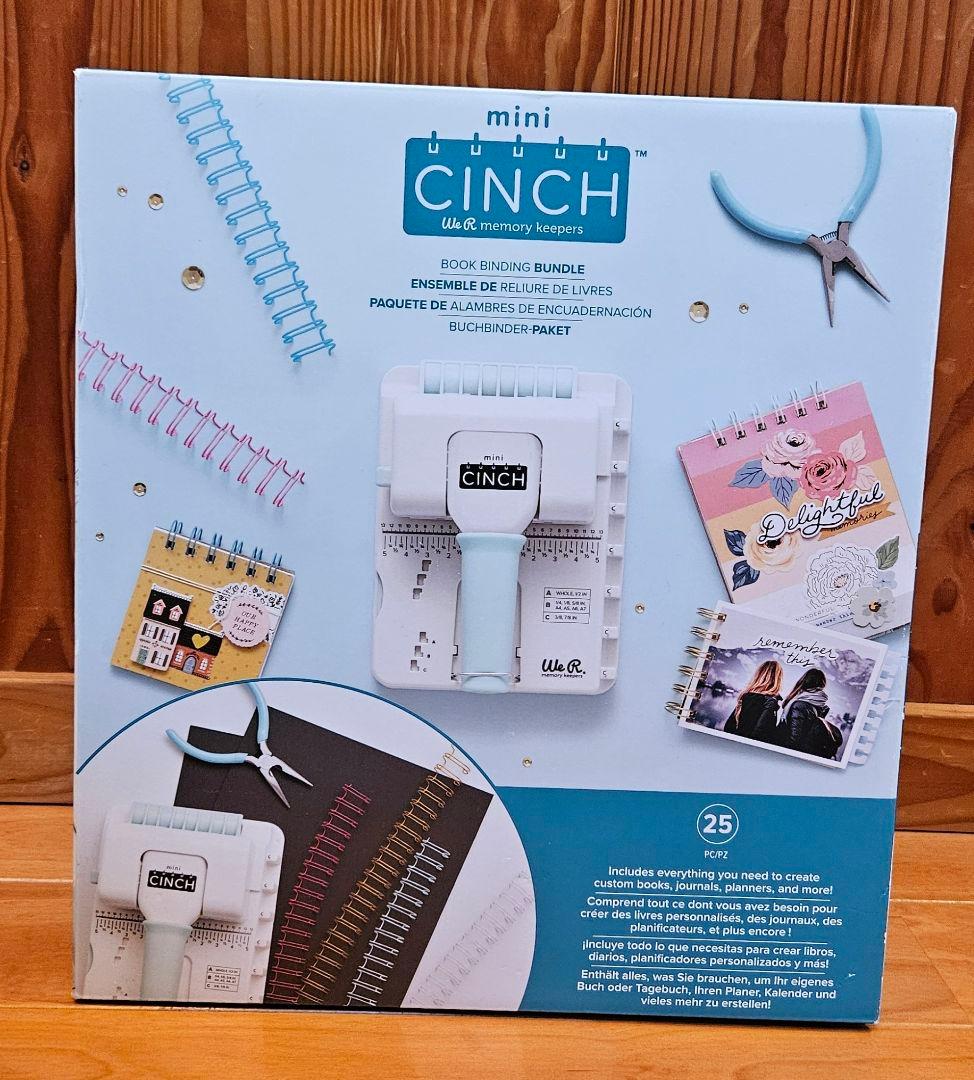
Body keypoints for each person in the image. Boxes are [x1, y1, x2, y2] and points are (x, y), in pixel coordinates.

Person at [780, 668, 843, 759]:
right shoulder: (818, 705)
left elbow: (794, 739)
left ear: (804, 681)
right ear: (822, 685)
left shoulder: (798, 705)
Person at [724, 660, 782, 742]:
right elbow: (760, 733)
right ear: (777, 679)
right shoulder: (770, 702)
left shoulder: (746, 696)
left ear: (758, 675)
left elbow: (728, 727)